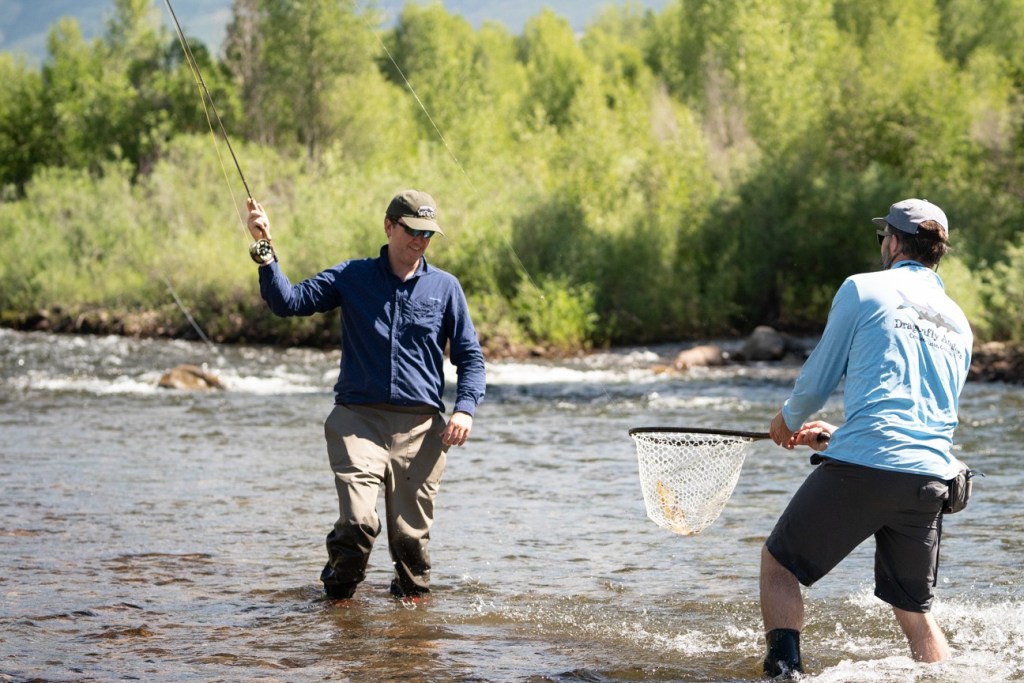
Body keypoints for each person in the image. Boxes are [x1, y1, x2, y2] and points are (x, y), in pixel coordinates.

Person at [761, 198, 972, 677]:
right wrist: (840, 437)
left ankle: (783, 674)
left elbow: (818, 379)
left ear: (894, 242)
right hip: (930, 479)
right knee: (914, 612)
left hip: (867, 468)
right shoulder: (959, 321)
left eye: (884, 237)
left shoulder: (863, 288)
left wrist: (788, 419)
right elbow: (925, 414)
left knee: (779, 566)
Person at [246, 189, 486, 601]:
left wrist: (464, 409)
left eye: (428, 234)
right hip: (358, 423)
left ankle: (410, 623)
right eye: (413, 231)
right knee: (359, 523)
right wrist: (264, 247)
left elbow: (471, 358)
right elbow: (288, 302)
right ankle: (337, 602)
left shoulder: (446, 287)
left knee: (410, 544)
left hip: (422, 431)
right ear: (389, 226)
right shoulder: (352, 276)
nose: (420, 241)